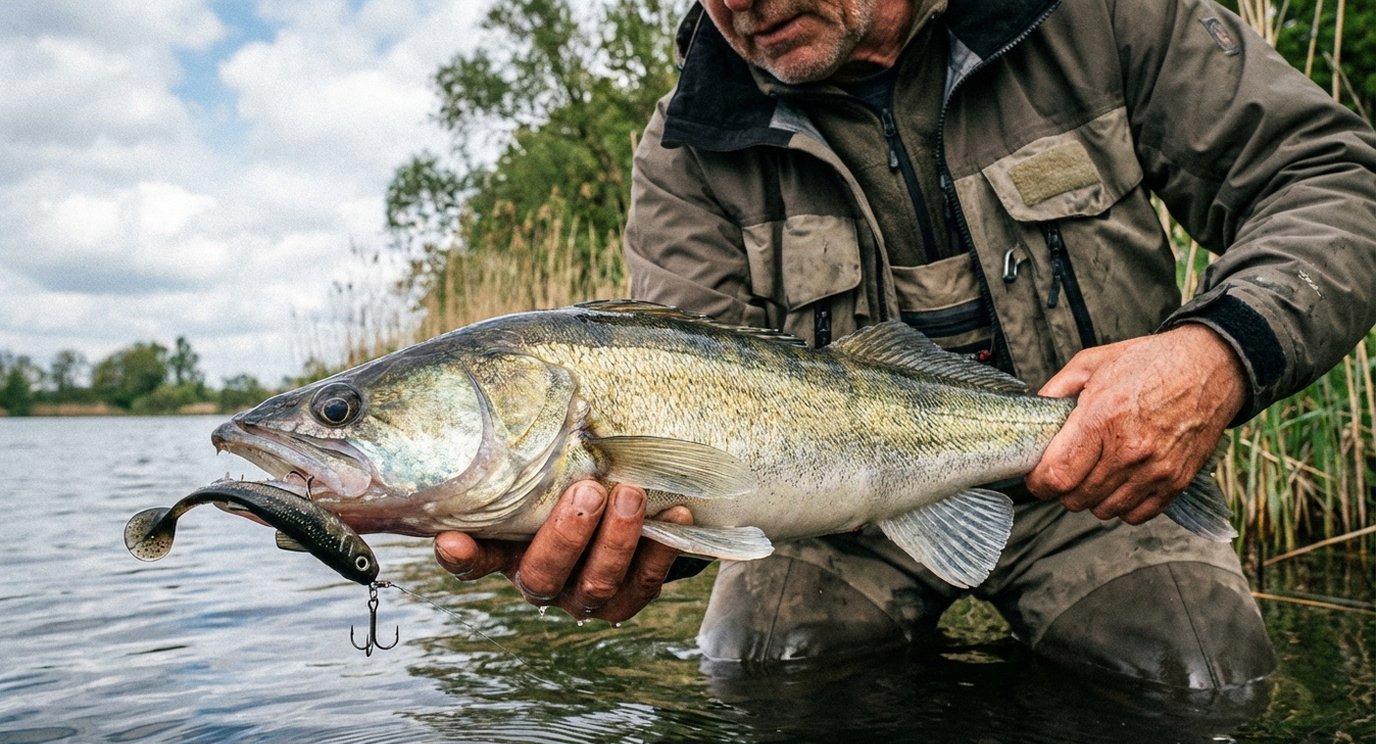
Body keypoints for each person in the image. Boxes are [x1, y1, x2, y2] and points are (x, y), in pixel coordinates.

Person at [434, 0, 1376, 691]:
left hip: (1100, 487)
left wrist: (1214, 356)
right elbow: (684, 426)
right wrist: (635, 540)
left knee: (1201, 676)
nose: (741, 7)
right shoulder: (688, 145)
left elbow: (1336, 187)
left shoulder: (1104, 17)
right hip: (833, 521)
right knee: (759, 669)